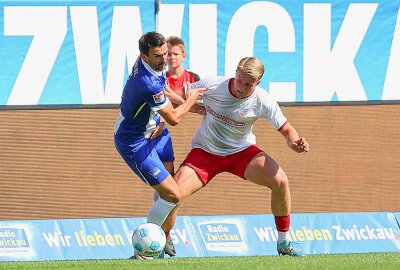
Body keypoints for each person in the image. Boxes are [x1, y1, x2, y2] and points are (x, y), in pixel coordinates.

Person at [163, 57, 310, 256]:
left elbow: (287, 130)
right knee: (172, 194)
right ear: (236, 73)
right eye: (239, 80)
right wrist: (162, 110)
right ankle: (162, 241)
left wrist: (295, 143)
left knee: (281, 181)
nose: (241, 87)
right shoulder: (213, 84)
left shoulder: (263, 100)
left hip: (242, 153)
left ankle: (284, 242)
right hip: (205, 153)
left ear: (257, 84)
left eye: (248, 84)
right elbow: (176, 96)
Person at [113, 31, 204, 259]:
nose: (163, 59)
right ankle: (144, 249)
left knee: (166, 189)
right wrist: (192, 100)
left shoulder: (152, 67)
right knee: (173, 195)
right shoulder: (146, 82)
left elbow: (165, 91)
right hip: (134, 142)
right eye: (157, 55)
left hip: (155, 129)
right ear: (143, 55)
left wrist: (186, 103)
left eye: (165, 53)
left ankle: (162, 233)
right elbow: (173, 118)